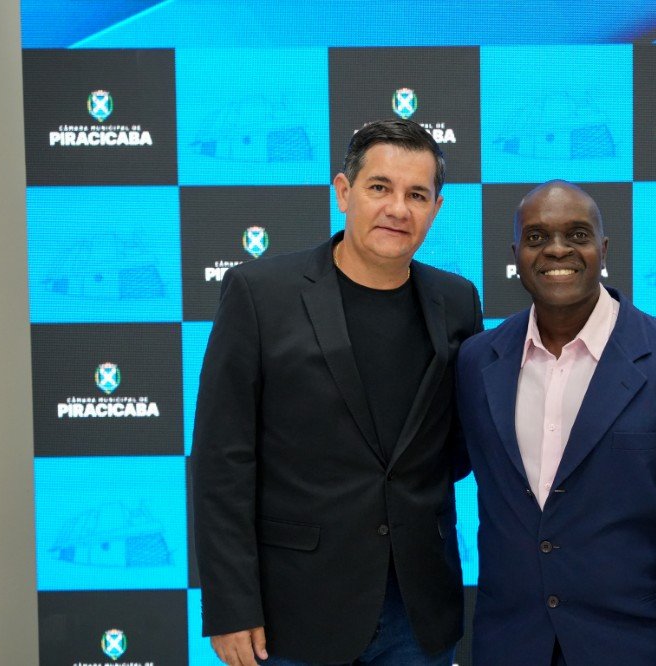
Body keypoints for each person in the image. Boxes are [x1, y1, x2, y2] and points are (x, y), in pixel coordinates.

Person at [192, 119, 483, 666]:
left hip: (418, 612)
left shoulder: (458, 301)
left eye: (416, 195)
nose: (398, 208)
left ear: (436, 208)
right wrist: (231, 605)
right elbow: (221, 461)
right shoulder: (259, 294)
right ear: (344, 192)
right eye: (380, 187)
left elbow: (458, 445)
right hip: (294, 611)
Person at [455, 180, 656, 665]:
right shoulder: (476, 362)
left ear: (603, 249)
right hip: (511, 648)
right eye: (536, 237)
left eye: (577, 234)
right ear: (516, 256)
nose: (557, 249)